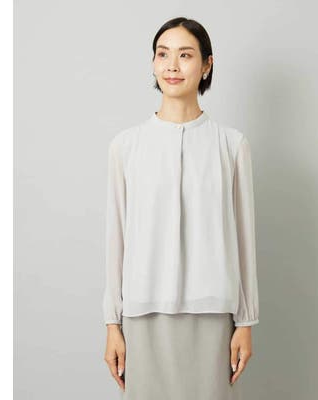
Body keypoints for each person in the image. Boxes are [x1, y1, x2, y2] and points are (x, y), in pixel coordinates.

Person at [102, 17, 260, 399]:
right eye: (163, 54)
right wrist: (112, 323)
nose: (172, 65)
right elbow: (116, 239)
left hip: (213, 316)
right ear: (153, 63)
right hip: (142, 315)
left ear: (207, 64)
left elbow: (244, 239)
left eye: (185, 55)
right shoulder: (125, 147)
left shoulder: (231, 145)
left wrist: (246, 321)